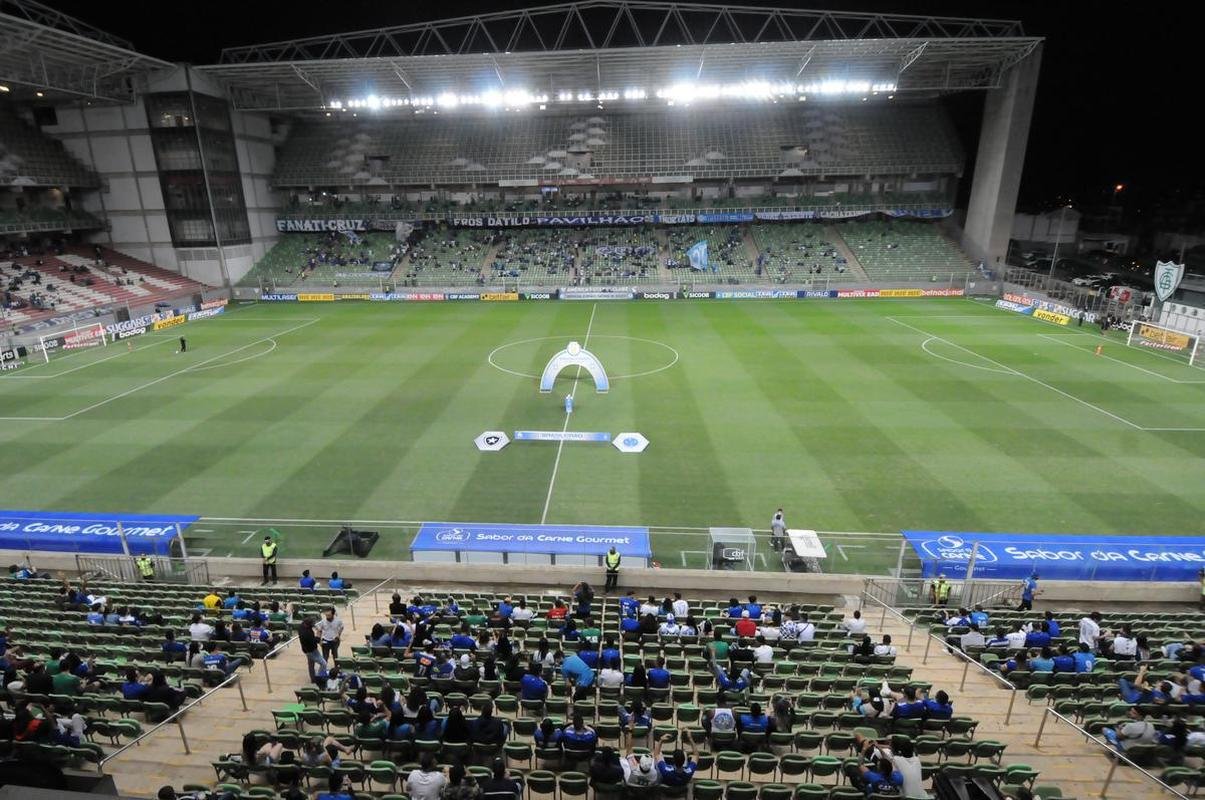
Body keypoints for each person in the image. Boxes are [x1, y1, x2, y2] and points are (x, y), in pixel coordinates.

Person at [298, 618, 326, 682]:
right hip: (312, 651)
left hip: (306, 649)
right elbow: (315, 641)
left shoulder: (301, 627)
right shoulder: (307, 634)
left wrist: (314, 626)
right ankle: (319, 677)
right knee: (323, 663)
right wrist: (319, 633)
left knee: (311, 664)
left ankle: (313, 679)